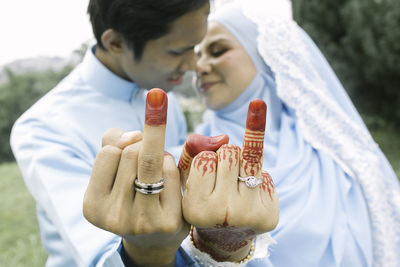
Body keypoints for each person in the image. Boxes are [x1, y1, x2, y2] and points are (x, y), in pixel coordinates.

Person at [192, 1, 400, 266]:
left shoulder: (339, 154)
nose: (200, 66)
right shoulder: (194, 157)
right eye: (196, 54)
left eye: (217, 50)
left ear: (265, 55)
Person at [10, 0, 210, 266]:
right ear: (115, 42)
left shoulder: (163, 98)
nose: (194, 64)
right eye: (177, 51)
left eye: (195, 47)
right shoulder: (44, 127)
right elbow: (99, 252)